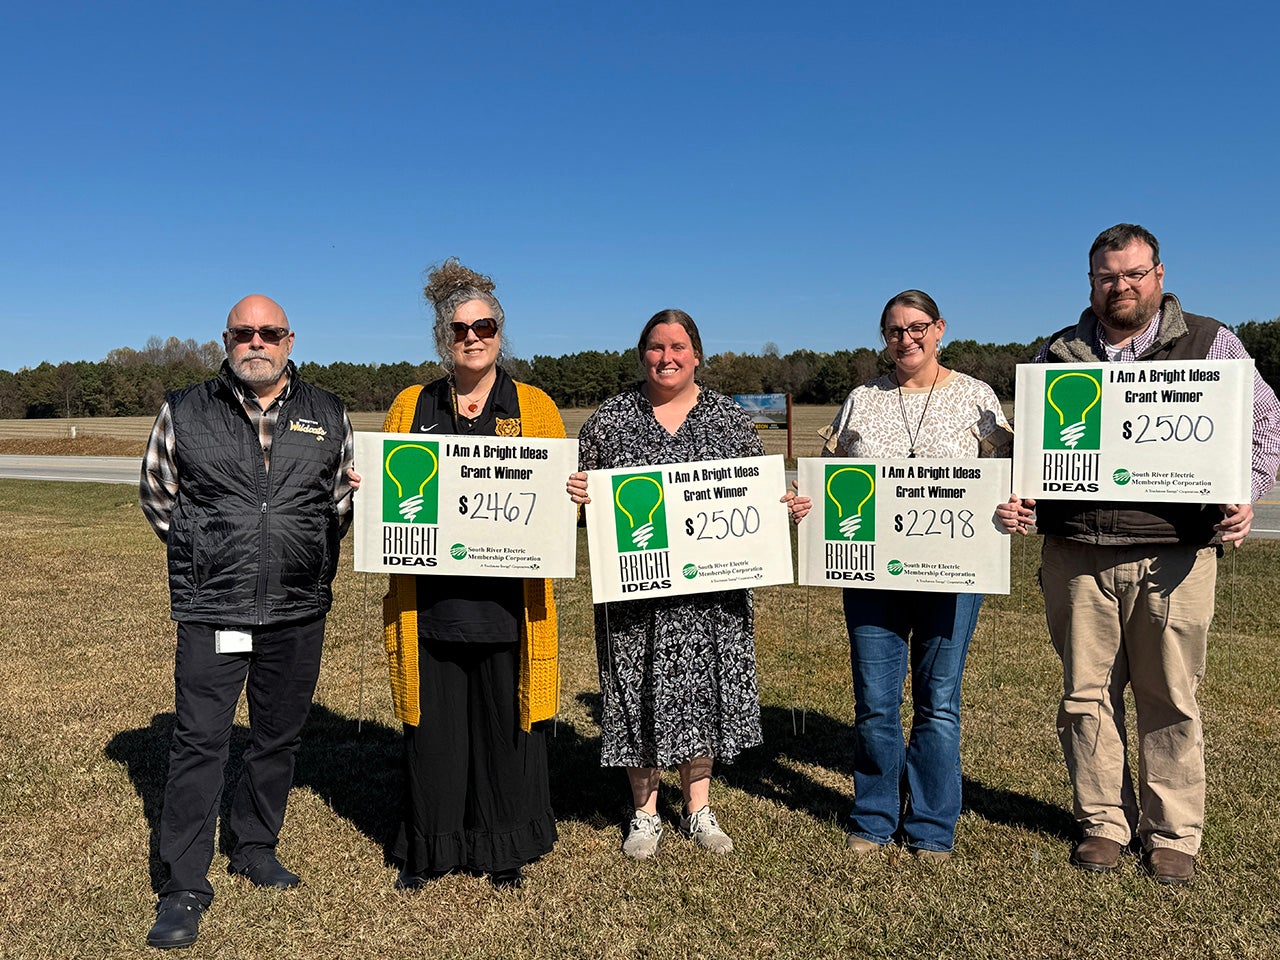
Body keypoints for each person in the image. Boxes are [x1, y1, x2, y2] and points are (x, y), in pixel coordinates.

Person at [997, 223, 1280, 886]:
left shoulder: (1212, 343)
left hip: (1173, 556)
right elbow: (1032, 452)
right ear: (1090, 281)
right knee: (1084, 697)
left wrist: (1245, 493)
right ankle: (1103, 823)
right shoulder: (1057, 352)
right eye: (1106, 276)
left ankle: (1173, 832)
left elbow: (1266, 423)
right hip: (1076, 550)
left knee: (1170, 695)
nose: (1120, 286)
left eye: (1132, 273)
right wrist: (1020, 499)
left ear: (1158, 274)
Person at [139, 295, 357, 950]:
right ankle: (183, 884)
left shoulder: (327, 412)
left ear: (290, 340)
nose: (255, 342)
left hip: (296, 608)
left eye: (268, 332)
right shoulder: (185, 408)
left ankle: (255, 846)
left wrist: (305, 554)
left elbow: (339, 502)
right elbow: (157, 494)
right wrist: (207, 554)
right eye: (243, 332)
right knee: (201, 741)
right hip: (214, 608)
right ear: (226, 340)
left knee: (276, 738)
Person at [567, 309, 790, 859]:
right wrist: (574, 498)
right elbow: (581, 512)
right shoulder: (610, 420)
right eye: (655, 347)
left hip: (711, 593)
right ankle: (643, 813)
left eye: (678, 347)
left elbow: (755, 500)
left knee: (704, 690)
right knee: (636, 689)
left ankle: (697, 807)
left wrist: (785, 505)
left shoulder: (728, 419)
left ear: (697, 354)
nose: (667, 358)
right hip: (636, 590)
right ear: (641, 353)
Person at [798, 289, 1012, 861]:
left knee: (938, 702)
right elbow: (832, 474)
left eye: (917, 327)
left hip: (951, 576)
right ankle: (873, 817)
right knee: (874, 702)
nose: (906, 339)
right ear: (883, 337)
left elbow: (1009, 471)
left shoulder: (977, 398)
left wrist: (1014, 506)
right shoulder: (862, 399)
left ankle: (932, 826)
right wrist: (807, 505)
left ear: (940, 328)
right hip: (871, 576)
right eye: (894, 330)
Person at [382, 259, 562, 891]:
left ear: (500, 331)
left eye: (483, 325)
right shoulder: (413, 404)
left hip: (510, 610)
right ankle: (430, 847)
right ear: (443, 337)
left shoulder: (534, 407)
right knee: (435, 736)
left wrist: (571, 493)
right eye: (460, 329)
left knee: (502, 731)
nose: (472, 337)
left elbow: (554, 504)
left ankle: (502, 845)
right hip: (430, 605)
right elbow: (394, 491)